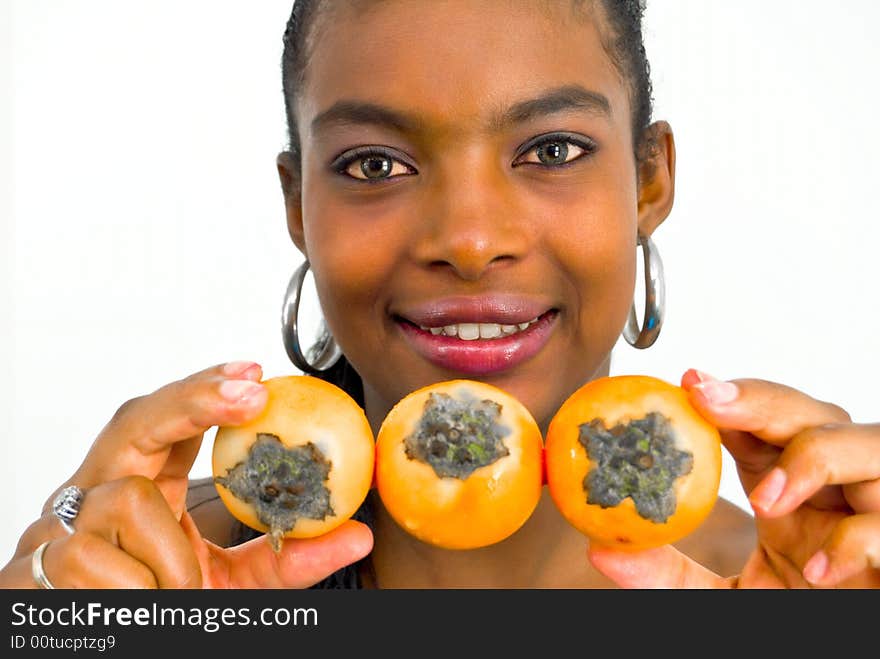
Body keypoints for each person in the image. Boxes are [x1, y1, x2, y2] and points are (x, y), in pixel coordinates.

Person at [2, 0, 878, 589]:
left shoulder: (801, 584)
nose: (468, 240)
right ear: (299, 205)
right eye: (374, 164)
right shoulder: (175, 577)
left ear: (649, 183)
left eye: (553, 150)